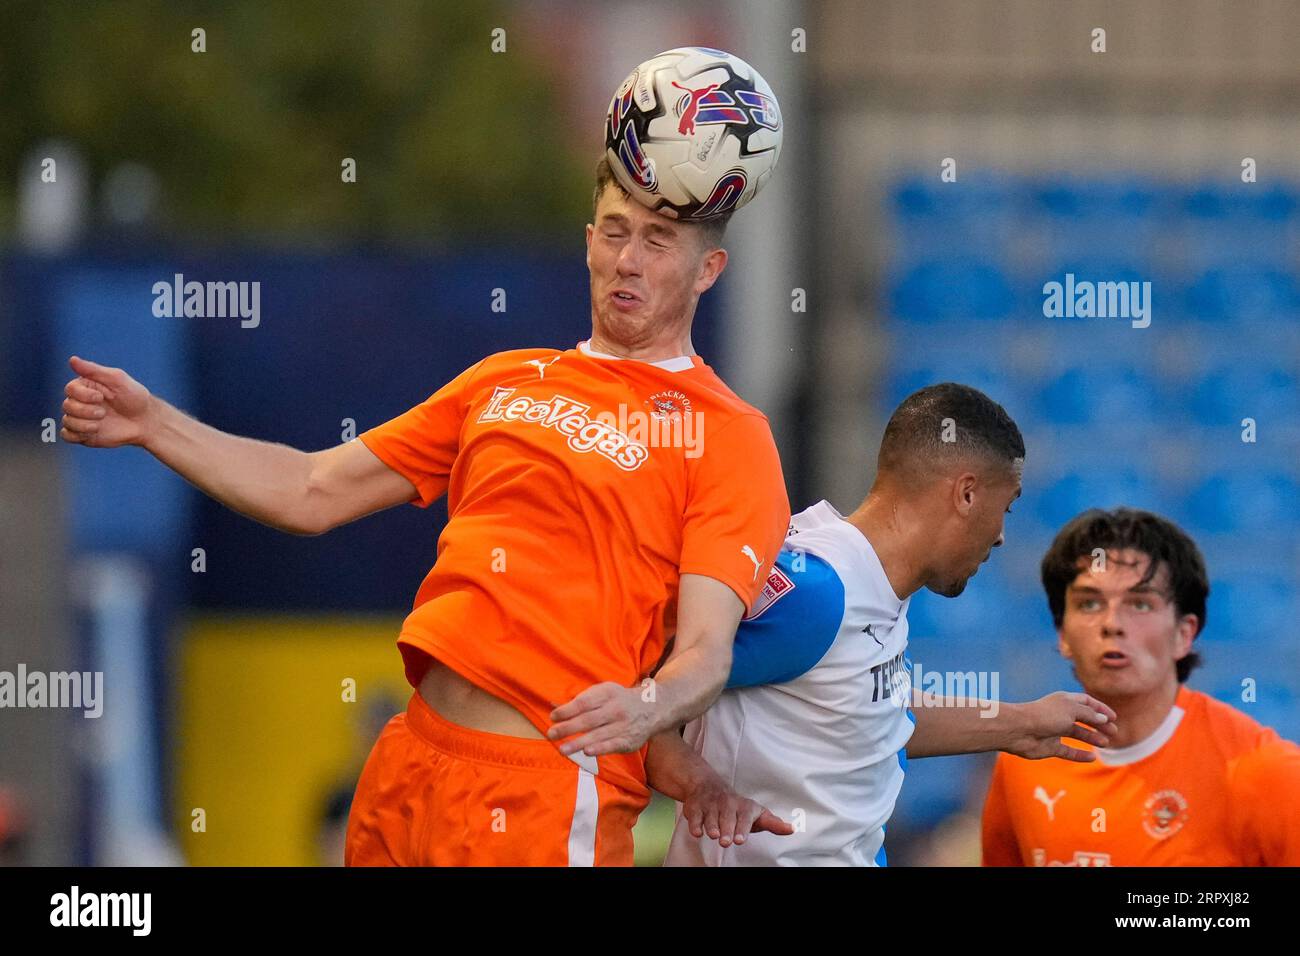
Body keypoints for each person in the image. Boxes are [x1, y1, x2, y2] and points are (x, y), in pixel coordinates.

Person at [57, 156, 790, 866]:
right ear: (588, 241)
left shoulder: (726, 433)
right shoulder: (503, 379)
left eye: (657, 241)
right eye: (613, 230)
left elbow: (705, 654)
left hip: (543, 790)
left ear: (707, 271)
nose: (628, 259)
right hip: (409, 760)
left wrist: (646, 707)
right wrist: (154, 423)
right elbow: (310, 490)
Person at [645, 383, 1118, 865]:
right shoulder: (819, 592)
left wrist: (1022, 723)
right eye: (1007, 507)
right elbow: (639, 682)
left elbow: (867, 715)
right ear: (968, 493)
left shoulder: (870, 585)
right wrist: (700, 784)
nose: (1000, 536)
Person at [981, 508, 1300, 866]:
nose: (1112, 623)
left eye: (1140, 603)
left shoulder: (1266, 771)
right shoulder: (1024, 760)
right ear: (1063, 634)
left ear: (1184, 634)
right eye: (1089, 603)